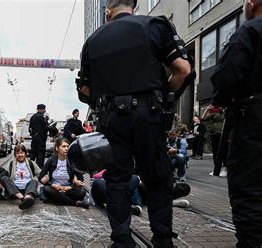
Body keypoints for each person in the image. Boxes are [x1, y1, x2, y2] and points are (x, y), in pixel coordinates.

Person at [78, 0, 192, 246]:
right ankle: (162, 238)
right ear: (134, 7)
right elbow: (183, 69)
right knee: (158, 178)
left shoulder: (92, 41)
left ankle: (122, 240)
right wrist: (163, 96)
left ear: (108, 12)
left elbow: (85, 89)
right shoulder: (155, 24)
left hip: (111, 119)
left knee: (116, 181)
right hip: (149, 113)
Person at [210, 1, 262, 246]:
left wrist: (220, 100)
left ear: (251, 4)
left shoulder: (250, 30)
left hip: (254, 120)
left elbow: (227, 77)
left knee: (249, 191)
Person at [38, 138, 88, 208]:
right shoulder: (51, 160)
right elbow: (40, 177)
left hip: (68, 189)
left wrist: (71, 187)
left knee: (82, 192)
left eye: (68, 146)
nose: (66, 148)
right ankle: (75, 203)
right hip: (55, 189)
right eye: (63, 146)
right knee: (47, 189)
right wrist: (52, 185)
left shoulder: (72, 161)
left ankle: (57, 198)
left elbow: (80, 178)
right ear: (57, 148)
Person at [0, 144, 41, 210]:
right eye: (18, 153)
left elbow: (40, 174)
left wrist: (45, 177)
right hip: (15, 191)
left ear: (25, 153)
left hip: (28, 190)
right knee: (4, 178)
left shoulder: (31, 163)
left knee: (34, 181)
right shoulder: (11, 164)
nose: (20, 155)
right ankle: (22, 198)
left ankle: (27, 197)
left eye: (22, 153)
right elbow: (4, 174)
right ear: (15, 154)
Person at [202, 105, 227, 177]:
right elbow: (203, 119)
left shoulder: (225, 111)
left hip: (223, 133)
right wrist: (207, 109)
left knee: (224, 151)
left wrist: (222, 109)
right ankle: (217, 169)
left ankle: (224, 168)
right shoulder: (213, 113)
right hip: (214, 133)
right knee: (216, 151)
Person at [29, 104, 48, 168]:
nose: (45, 111)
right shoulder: (42, 117)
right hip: (41, 139)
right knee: (41, 154)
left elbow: (30, 129)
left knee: (33, 154)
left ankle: (31, 167)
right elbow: (45, 127)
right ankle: (39, 169)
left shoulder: (32, 117)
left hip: (34, 138)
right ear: (41, 109)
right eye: (44, 109)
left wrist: (33, 134)